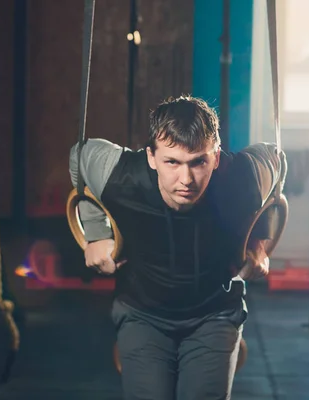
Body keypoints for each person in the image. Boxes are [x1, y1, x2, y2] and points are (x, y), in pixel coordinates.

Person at [68, 95, 287, 400]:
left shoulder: (243, 176)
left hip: (215, 314)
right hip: (142, 313)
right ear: (151, 157)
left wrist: (258, 243)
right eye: (172, 162)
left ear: (217, 157)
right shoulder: (122, 176)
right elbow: (80, 155)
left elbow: (276, 157)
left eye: (199, 162)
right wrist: (96, 234)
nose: (186, 180)